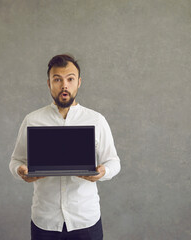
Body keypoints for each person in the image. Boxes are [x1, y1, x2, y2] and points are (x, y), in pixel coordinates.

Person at [9, 54, 121, 240]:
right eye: (57, 79)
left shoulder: (96, 120)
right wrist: (20, 171)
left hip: (85, 220)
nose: (64, 85)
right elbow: (16, 160)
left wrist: (104, 171)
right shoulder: (32, 120)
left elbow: (113, 161)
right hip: (45, 221)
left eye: (70, 79)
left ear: (79, 82)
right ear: (49, 83)